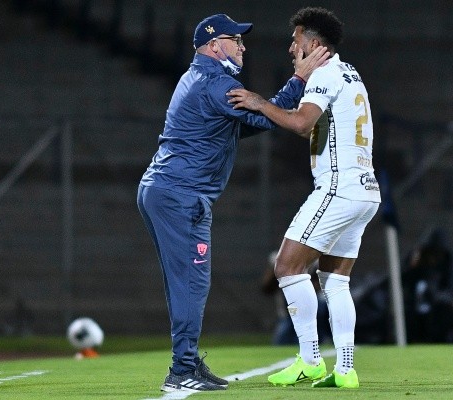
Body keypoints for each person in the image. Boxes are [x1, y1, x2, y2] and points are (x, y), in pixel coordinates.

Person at [137, 13, 329, 392]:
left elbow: (242, 126)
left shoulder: (199, 77)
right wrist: (299, 80)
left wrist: (273, 101)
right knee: (191, 283)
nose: (242, 46)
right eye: (234, 39)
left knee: (184, 282)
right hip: (181, 193)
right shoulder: (215, 82)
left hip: (166, 189)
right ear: (213, 46)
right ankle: (182, 369)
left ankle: (187, 362)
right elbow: (267, 120)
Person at [229, 7, 381, 389]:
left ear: (313, 44)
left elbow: (301, 124)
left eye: (295, 41)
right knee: (335, 280)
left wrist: (261, 103)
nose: (290, 47)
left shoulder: (325, 73)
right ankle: (345, 369)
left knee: (286, 267)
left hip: (338, 187)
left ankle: (311, 360)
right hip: (366, 189)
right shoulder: (351, 73)